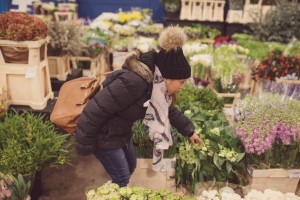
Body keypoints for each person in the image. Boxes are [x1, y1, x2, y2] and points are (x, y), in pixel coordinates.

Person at [75, 26, 202, 187]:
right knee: (122, 178)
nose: (183, 86)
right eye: (181, 82)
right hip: (105, 135)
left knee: (131, 167)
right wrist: (84, 145)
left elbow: (169, 110)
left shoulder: (155, 88)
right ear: (168, 78)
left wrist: (190, 132)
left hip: (121, 132)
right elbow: (95, 109)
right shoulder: (134, 82)